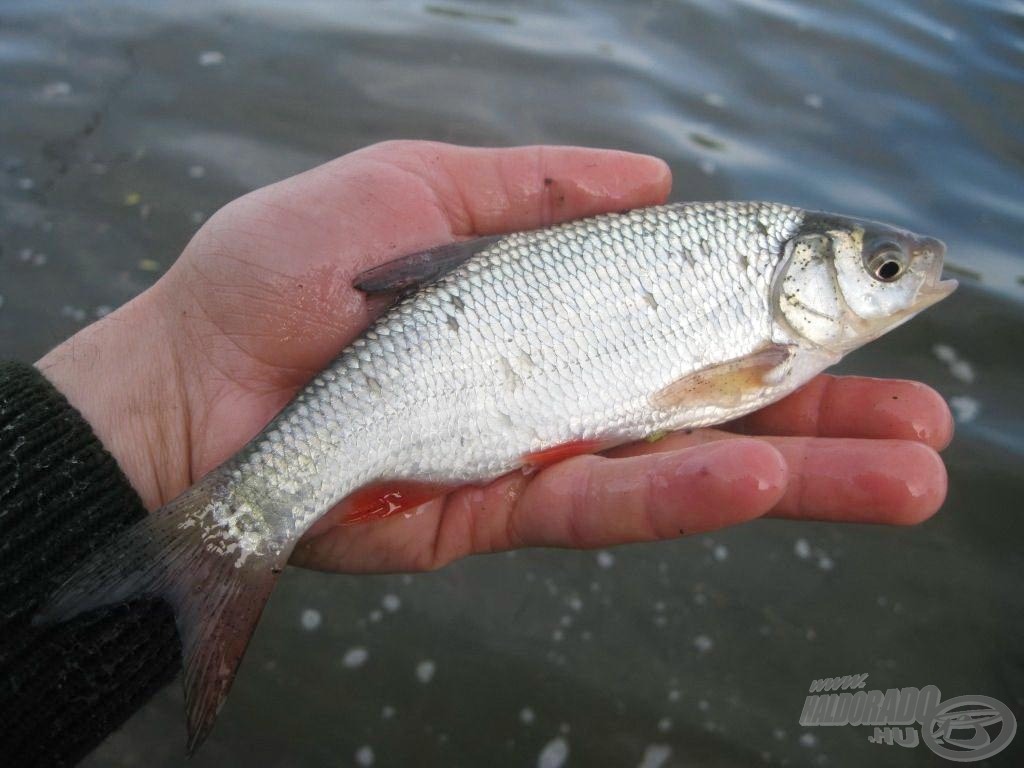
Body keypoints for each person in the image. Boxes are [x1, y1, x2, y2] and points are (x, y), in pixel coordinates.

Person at [0, 141, 952, 765]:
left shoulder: (771, 319)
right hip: (450, 382)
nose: (903, 281)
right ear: (810, 276)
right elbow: (711, 392)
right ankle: (196, 554)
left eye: (888, 270)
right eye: (884, 270)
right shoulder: (770, 348)